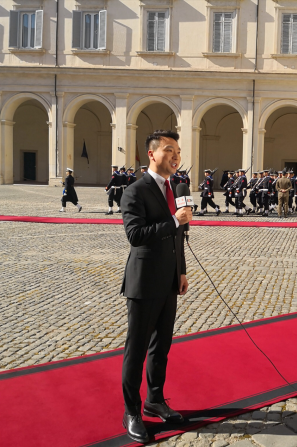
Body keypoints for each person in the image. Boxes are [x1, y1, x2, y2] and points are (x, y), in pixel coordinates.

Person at [120, 130, 193, 444]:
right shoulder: (135, 191)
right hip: (144, 282)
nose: (175, 157)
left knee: (161, 346)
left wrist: (181, 271)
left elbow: (179, 236)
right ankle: (131, 411)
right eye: (168, 150)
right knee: (136, 349)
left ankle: (155, 399)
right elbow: (136, 235)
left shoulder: (175, 189)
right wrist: (175, 220)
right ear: (151, 154)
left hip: (169, 281)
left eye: (177, 151)